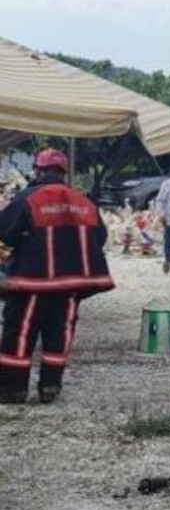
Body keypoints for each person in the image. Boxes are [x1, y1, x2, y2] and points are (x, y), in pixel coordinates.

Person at [0, 149, 114, 405]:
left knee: (20, 333)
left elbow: (5, 233)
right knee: (59, 333)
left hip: (31, 283)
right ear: (63, 172)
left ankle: (12, 390)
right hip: (71, 284)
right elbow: (100, 237)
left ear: (38, 170)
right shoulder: (82, 201)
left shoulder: (28, 198)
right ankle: (50, 387)